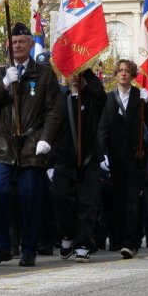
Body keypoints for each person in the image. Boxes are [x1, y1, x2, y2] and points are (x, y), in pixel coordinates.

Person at [0, 23, 63, 267]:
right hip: (4, 143)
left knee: (30, 197)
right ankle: (1, 246)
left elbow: (54, 111)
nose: (17, 46)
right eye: (14, 42)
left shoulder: (44, 74)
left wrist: (46, 138)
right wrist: (5, 83)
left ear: (30, 44)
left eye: (22, 42)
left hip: (31, 142)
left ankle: (29, 248)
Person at [98, 59, 148, 258]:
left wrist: (147, 104)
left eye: (127, 71)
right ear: (116, 74)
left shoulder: (140, 96)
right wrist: (102, 153)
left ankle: (129, 242)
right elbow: (103, 127)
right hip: (115, 157)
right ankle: (125, 237)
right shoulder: (109, 98)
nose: (123, 74)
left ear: (132, 75)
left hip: (135, 156)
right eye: (120, 71)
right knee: (119, 200)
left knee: (132, 199)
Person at [51, 67, 105, 262]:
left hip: (89, 159)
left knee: (87, 203)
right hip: (64, 159)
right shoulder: (60, 98)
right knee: (61, 199)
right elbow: (52, 126)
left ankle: (83, 244)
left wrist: (87, 73)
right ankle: (67, 235)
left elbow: (100, 92)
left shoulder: (93, 98)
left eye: (79, 74)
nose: (75, 77)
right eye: (72, 73)